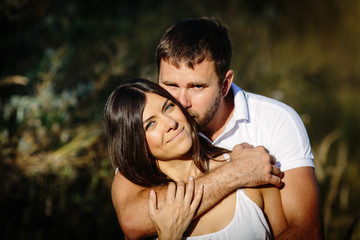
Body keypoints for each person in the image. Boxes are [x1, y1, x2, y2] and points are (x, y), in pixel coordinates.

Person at [111, 18, 323, 239]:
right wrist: (235, 173)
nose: (182, 102)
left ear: (225, 84)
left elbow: (307, 232)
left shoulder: (275, 120)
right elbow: (132, 220)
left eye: (197, 86)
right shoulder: (149, 138)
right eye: (171, 85)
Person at [104, 79, 288, 239]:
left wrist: (237, 171)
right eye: (151, 124)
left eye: (169, 107)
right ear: (134, 143)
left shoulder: (251, 168)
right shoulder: (148, 211)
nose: (171, 123)